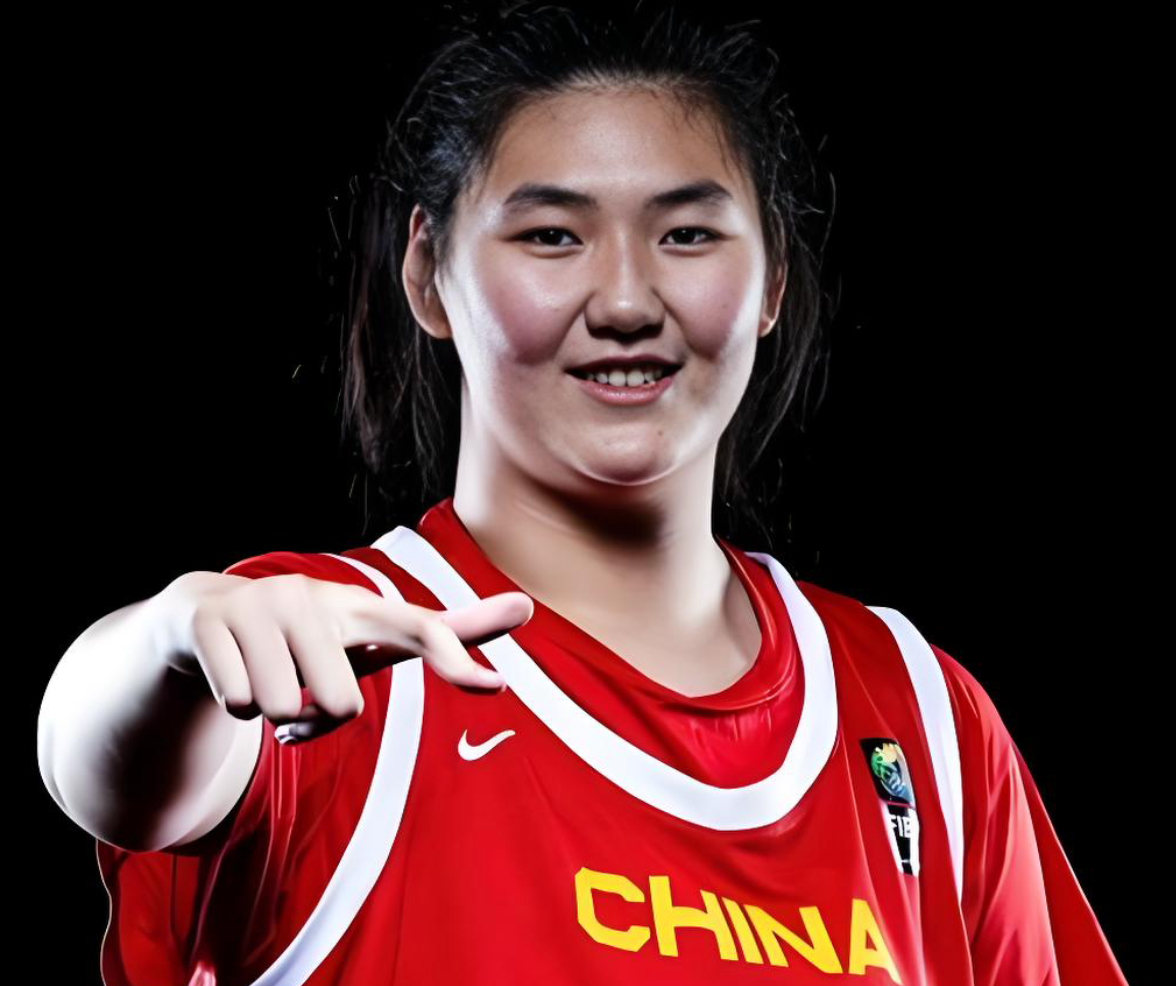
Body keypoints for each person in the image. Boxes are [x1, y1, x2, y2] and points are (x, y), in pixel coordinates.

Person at [37, 3, 1127, 984]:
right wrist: (170, 637)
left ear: (773, 281)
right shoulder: (327, 646)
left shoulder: (920, 713)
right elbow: (107, 772)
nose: (625, 301)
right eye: (552, 235)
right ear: (427, 273)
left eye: (687, 233)